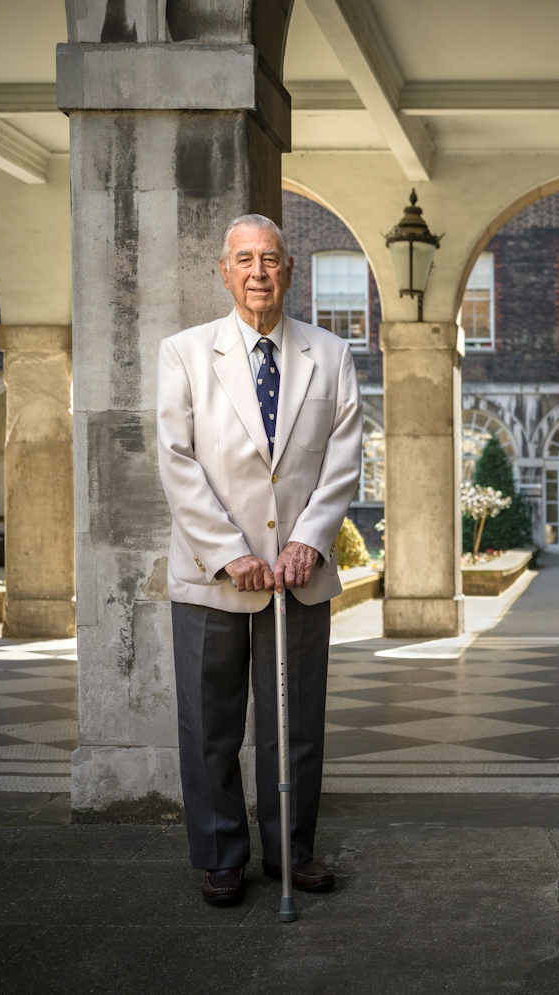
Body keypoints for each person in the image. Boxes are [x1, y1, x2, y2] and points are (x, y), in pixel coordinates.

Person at [156, 213, 362, 906]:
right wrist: (228, 552)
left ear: (289, 269)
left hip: (298, 574)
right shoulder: (185, 353)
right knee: (209, 725)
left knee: (294, 725)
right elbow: (176, 462)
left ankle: (290, 853)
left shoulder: (331, 354)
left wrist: (309, 539)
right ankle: (221, 855)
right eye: (244, 259)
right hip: (212, 574)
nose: (258, 272)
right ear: (225, 272)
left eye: (270, 258)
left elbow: (343, 460)